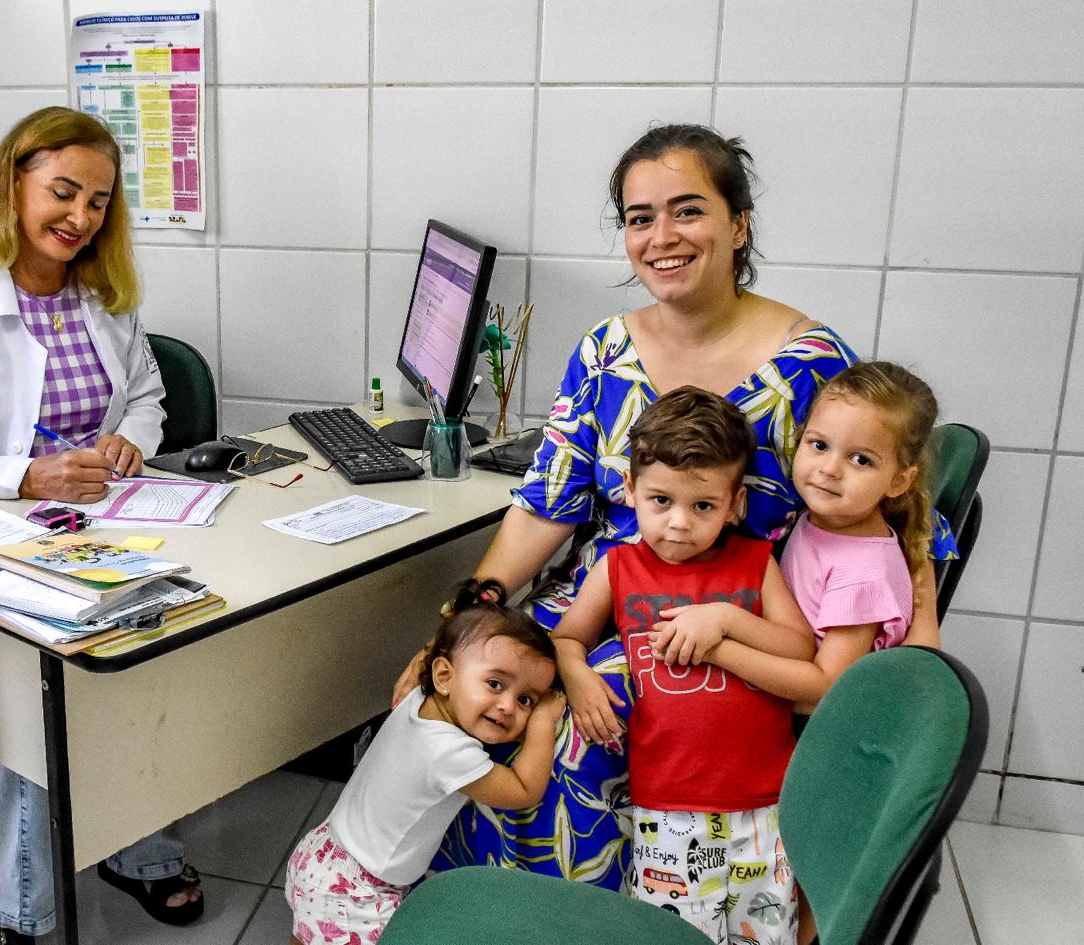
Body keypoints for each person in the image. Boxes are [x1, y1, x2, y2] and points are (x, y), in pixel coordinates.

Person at [394, 123, 956, 889]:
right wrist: (473, 611)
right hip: (600, 592)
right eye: (639, 217)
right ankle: (446, 905)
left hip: (729, 613)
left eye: (688, 210)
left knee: (547, 735)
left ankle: (583, 918)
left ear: (738, 224)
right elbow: (547, 501)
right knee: (452, 693)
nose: (662, 236)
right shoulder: (603, 350)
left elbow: (888, 511)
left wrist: (919, 624)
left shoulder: (810, 365)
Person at [0, 106, 201, 944]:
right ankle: (19, 910)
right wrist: (25, 473)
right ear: (12, 181)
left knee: (147, 659)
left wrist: (128, 441)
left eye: (99, 201)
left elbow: (147, 393)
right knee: (37, 697)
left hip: (96, 524)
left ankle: (135, 847)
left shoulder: (102, 294)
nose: (80, 217)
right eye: (64, 192)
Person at [553, 388, 811, 942]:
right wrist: (578, 680)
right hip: (668, 807)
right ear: (630, 491)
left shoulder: (755, 562)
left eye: (703, 506)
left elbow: (799, 650)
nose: (678, 524)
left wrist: (725, 619)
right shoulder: (619, 568)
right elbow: (566, 638)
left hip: (765, 803)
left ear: (736, 504)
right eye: (660, 501)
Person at [285, 580, 564, 945]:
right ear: (445, 676)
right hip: (356, 891)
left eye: (527, 699)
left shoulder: (419, 698)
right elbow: (524, 790)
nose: (509, 706)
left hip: (324, 854)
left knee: (311, 935)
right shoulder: (449, 753)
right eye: (495, 684)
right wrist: (543, 720)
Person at [680, 362, 938, 729]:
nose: (830, 469)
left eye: (860, 459)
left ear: (898, 481)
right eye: (819, 445)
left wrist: (718, 648)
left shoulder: (862, 574)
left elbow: (822, 688)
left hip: (811, 735)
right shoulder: (827, 517)